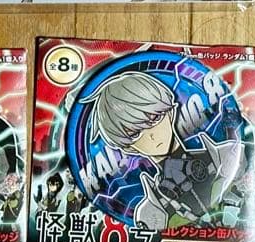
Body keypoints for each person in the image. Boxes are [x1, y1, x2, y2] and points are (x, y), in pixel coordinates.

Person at [83, 71, 244, 229]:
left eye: (155, 118)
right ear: (128, 147)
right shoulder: (150, 212)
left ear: (171, 112)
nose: (151, 134)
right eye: (135, 134)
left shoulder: (228, 157)